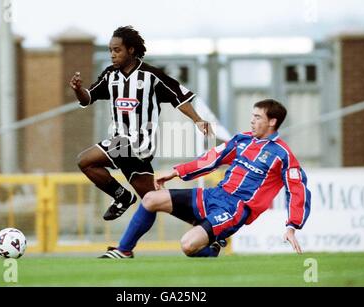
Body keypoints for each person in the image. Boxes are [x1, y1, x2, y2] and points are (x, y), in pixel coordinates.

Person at [99, 99, 311, 258]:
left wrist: (292, 227)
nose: (252, 120)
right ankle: (124, 251)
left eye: (257, 117)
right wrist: (176, 172)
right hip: (214, 195)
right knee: (151, 199)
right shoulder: (242, 140)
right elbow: (212, 158)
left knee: (188, 246)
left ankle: (212, 249)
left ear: (272, 121)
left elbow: (298, 190)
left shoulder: (282, 155)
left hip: (233, 209)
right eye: (252, 116)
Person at [70, 26, 212, 221]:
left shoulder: (151, 75)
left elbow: (179, 98)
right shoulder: (110, 75)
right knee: (153, 200)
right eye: (110, 50)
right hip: (122, 147)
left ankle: (122, 197)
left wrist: (198, 120)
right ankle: (205, 226)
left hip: (138, 144)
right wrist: (78, 89)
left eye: (117, 50)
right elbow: (88, 98)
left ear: (131, 50)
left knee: (84, 160)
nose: (112, 54)